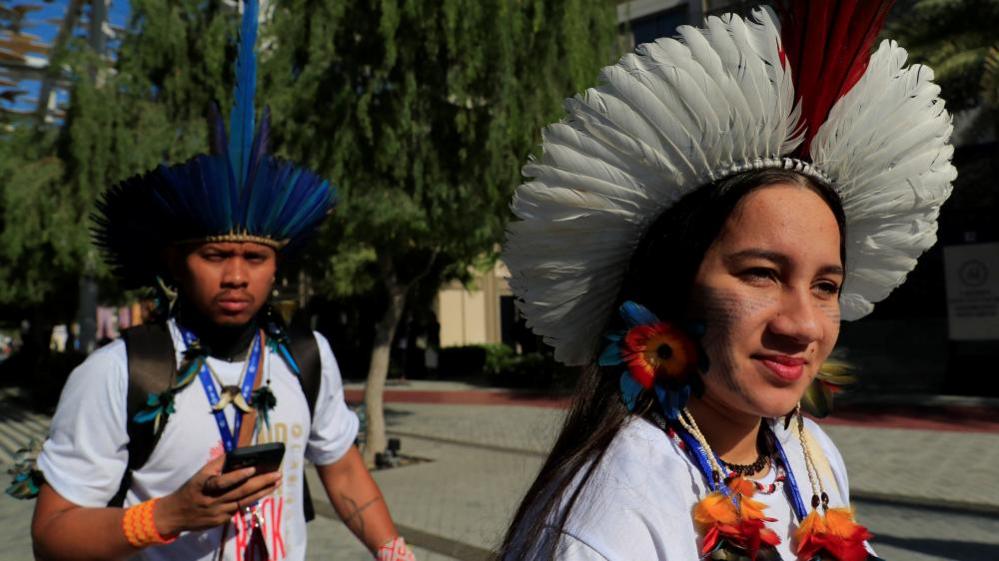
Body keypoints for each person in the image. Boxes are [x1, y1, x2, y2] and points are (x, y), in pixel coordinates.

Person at [500, 1, 955, 560]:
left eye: (826, 286)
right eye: (762, 274)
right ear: (672, 287)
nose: (803, 325)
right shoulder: (613, 516)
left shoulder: (810, 453)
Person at [28, 2, 416, 560]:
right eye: (215, 255)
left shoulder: (309, 358)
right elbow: (51, 535)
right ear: (174, 262)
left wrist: (391, 548)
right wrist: (166, 516)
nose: (236, 275)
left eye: (254, 258)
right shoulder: (117, 374)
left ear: (277, 266)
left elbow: (344, 468)